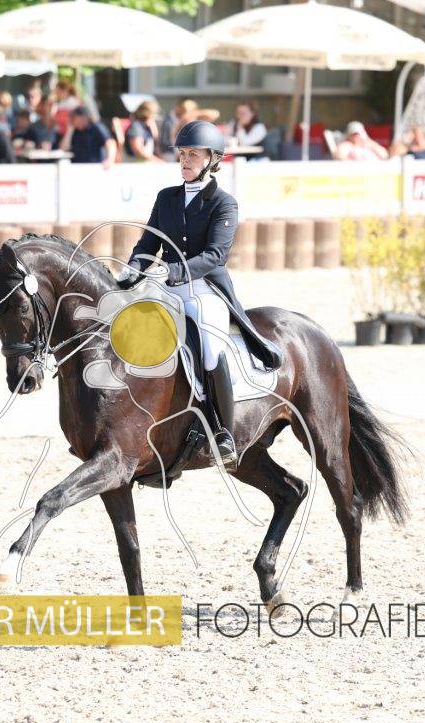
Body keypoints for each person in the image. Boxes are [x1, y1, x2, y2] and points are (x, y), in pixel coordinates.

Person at [116, 121, 283, 471]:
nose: (186, 160)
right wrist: (133, 269)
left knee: (209, 345)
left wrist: (172, 271)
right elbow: (148, 244)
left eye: (194, 154)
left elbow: (214, 256)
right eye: (182, 153)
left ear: (212, 159)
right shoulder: (167, 198)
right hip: (165, 286)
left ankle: (223, 431)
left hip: (205, 290)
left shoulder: (223, 203)